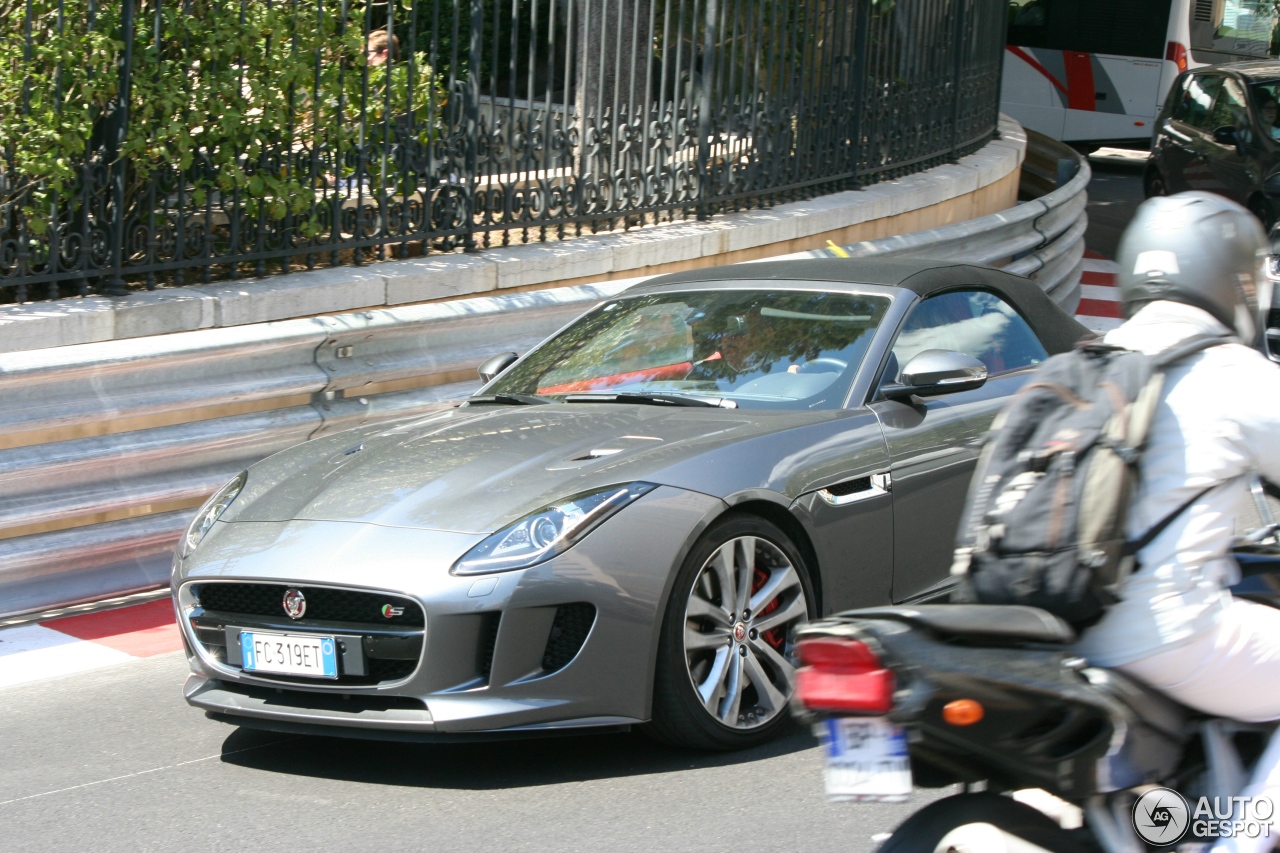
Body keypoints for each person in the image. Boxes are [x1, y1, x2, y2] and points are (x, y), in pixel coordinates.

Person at [1073, 191, 1280, 852]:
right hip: (1166, 628)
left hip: (1057, 622)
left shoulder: (1089, 357)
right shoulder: (1233, 371)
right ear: (1234, 278)